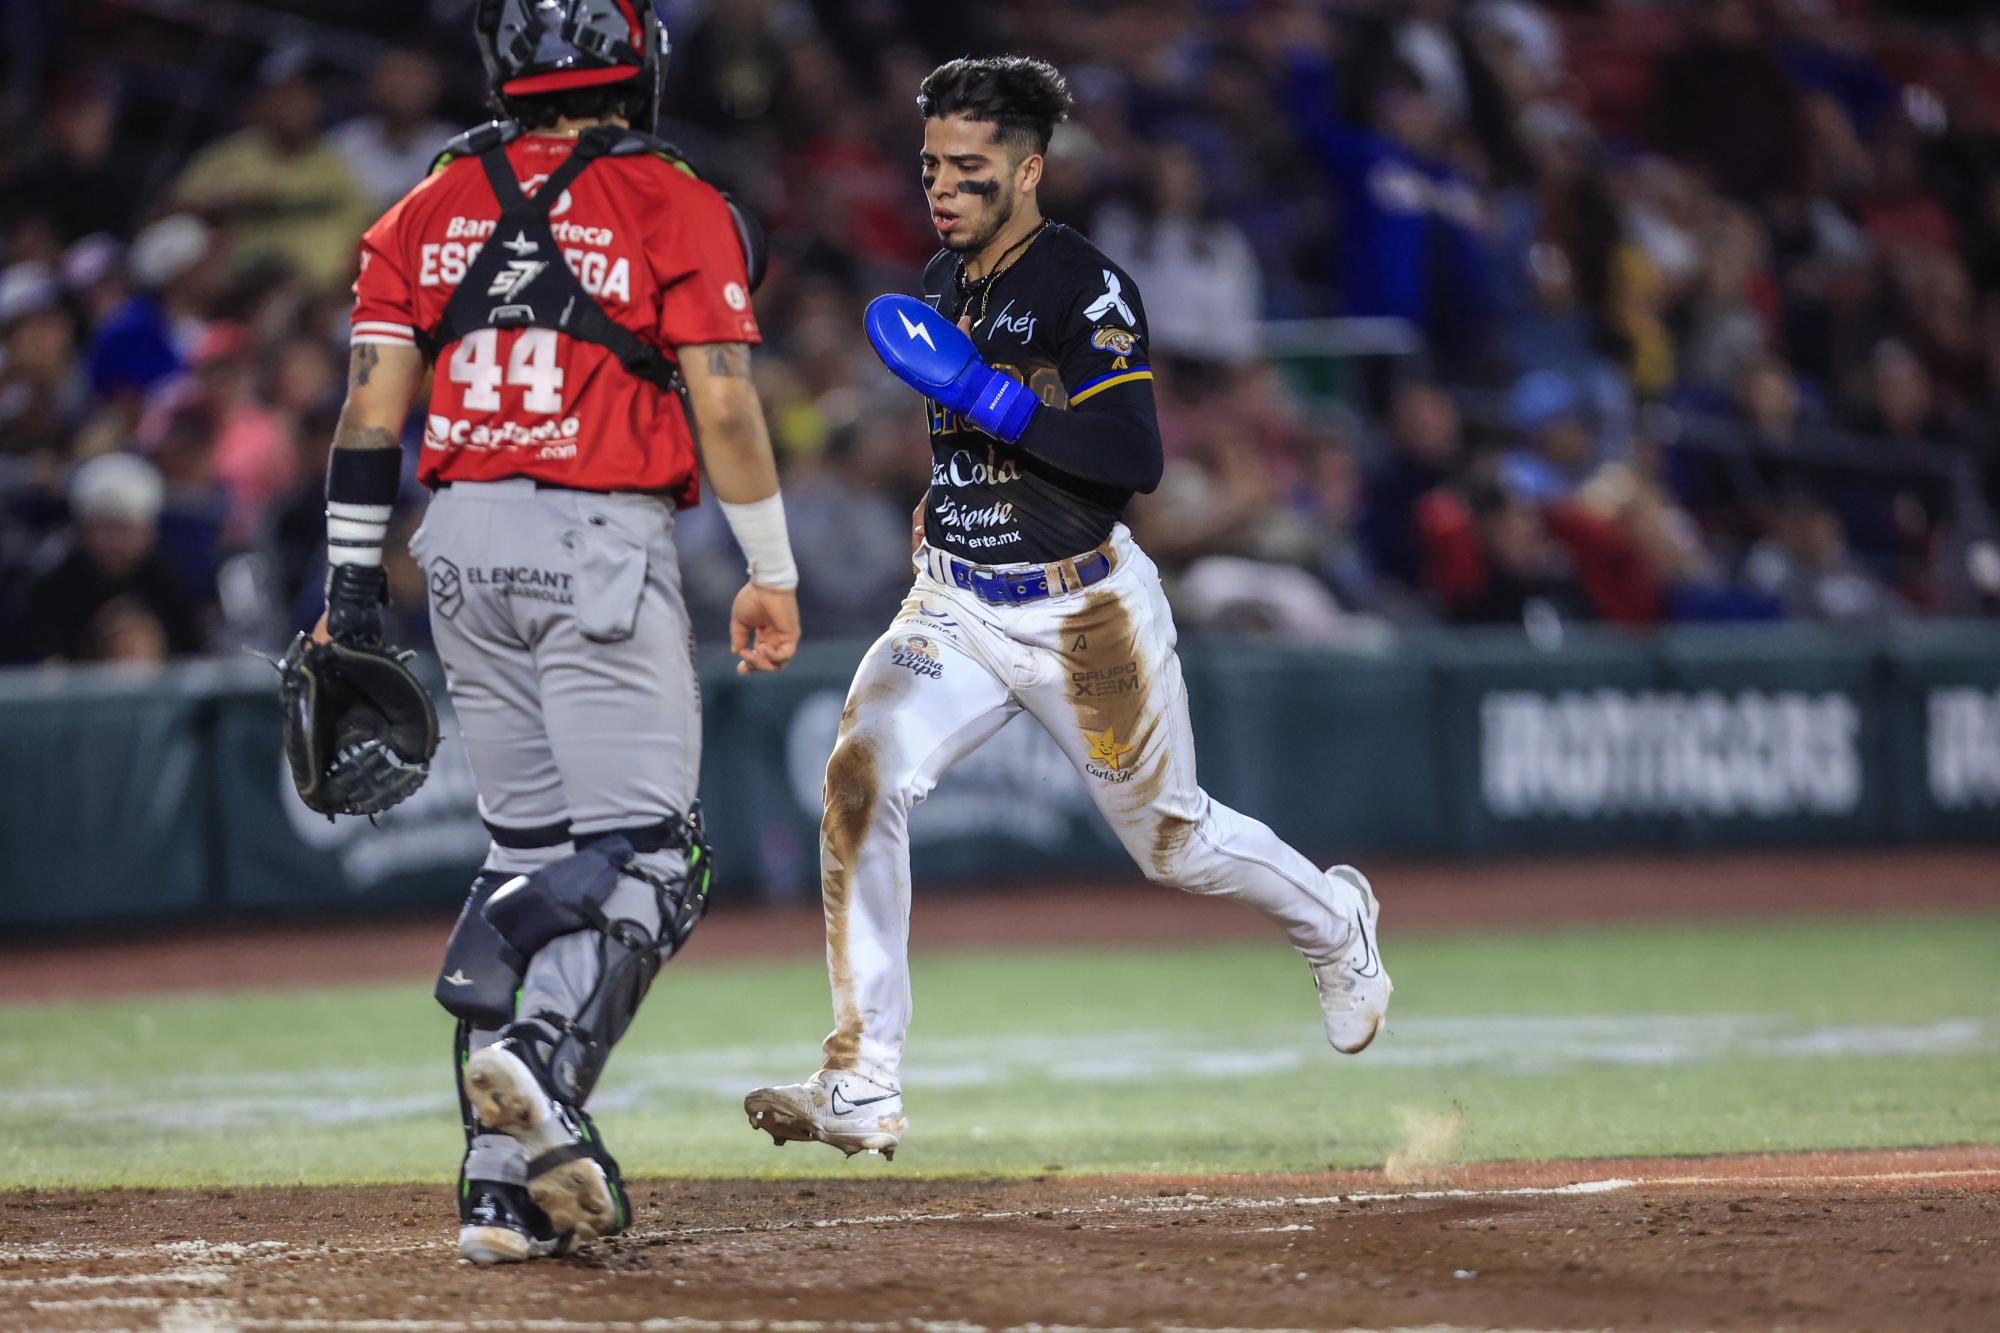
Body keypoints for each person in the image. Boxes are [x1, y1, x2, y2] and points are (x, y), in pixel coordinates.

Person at [743, 56, 1390, 1162]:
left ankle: (1336, 924)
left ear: (1029, 170)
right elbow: (965, 446)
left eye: (969, 169)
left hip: (1082, 610)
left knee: (1172, 843)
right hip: (952, 603)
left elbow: (1130, 456)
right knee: (858, 777)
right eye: (930, 166)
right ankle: (861, 1079)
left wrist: (986, 399)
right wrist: (938, 492)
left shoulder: (1082, 287)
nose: (941, 188)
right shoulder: (944, 285)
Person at [315, 0, 798, 1265]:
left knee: (522, 849)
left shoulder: (423, 202)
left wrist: (351, 592)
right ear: (636, 62)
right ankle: (537, 1060)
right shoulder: (672, 198)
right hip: (595, 544)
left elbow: (371, 414)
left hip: (459, 547)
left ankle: (494, 1190)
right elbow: (727, 407)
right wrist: (772, 570)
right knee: (650, 857)